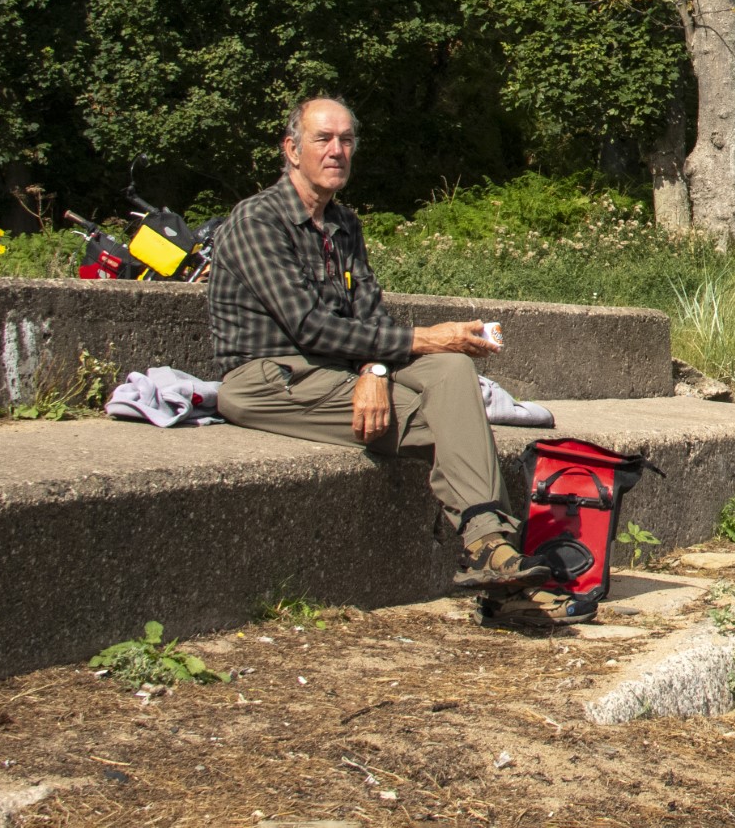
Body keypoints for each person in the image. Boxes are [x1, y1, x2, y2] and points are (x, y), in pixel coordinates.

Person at [207, 96, 549, 593]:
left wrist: (375, 372)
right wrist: (422, 338)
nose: (337, 150)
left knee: (452, 368)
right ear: (291, 148)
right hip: (270, 377)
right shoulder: (257, 221)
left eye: (346, 140)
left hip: (342, 367)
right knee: (444, 415)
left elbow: (369, 316)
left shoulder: (345, 225)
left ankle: (489, 549)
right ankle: (490, 542)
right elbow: (309, 327)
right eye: (322, 139)